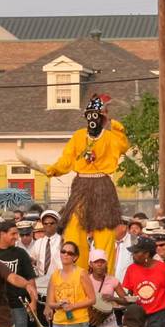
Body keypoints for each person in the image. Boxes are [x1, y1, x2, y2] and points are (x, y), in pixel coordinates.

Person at [38, 94, 129, 271]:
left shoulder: (110, 137)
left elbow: (123, 146)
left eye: (97, 116)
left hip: (103, 187)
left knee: (105, 233)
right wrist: (54, 169)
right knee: (74, 229)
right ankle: (77, 274)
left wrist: (114, 124)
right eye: (90, 116)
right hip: (81, 187)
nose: (93, 121)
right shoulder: (79, 136)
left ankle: (104, 279)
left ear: (102, 118)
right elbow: (67, 159)